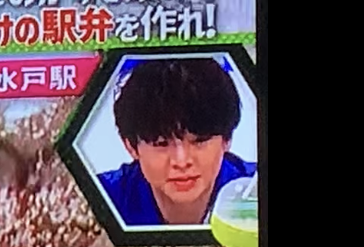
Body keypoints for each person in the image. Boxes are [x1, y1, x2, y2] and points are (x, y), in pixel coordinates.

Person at [96, 57, 256, 227]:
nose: (181, 162)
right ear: (130, 146)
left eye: (199, 140)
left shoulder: (256, 187)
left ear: (227, 139)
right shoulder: (98, 197)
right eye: (161, 143)